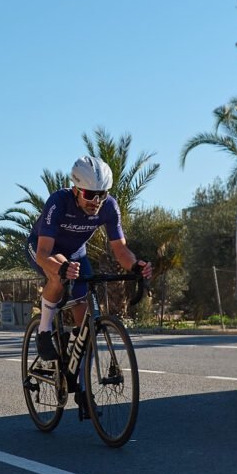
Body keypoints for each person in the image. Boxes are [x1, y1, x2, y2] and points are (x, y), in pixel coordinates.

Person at [26, 154, 153, 360]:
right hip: (43, 248)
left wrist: (135, 266)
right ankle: (44, 331)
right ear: (76, 189)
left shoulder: (109, 207)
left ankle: (81, 385)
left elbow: (121, 251)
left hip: (76, 254)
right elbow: (43, 254)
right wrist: (60, 269)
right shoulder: (58, 202)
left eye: (101, 194)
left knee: (87, 325)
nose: (96, 201)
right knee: (58, 274)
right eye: (89, 194)